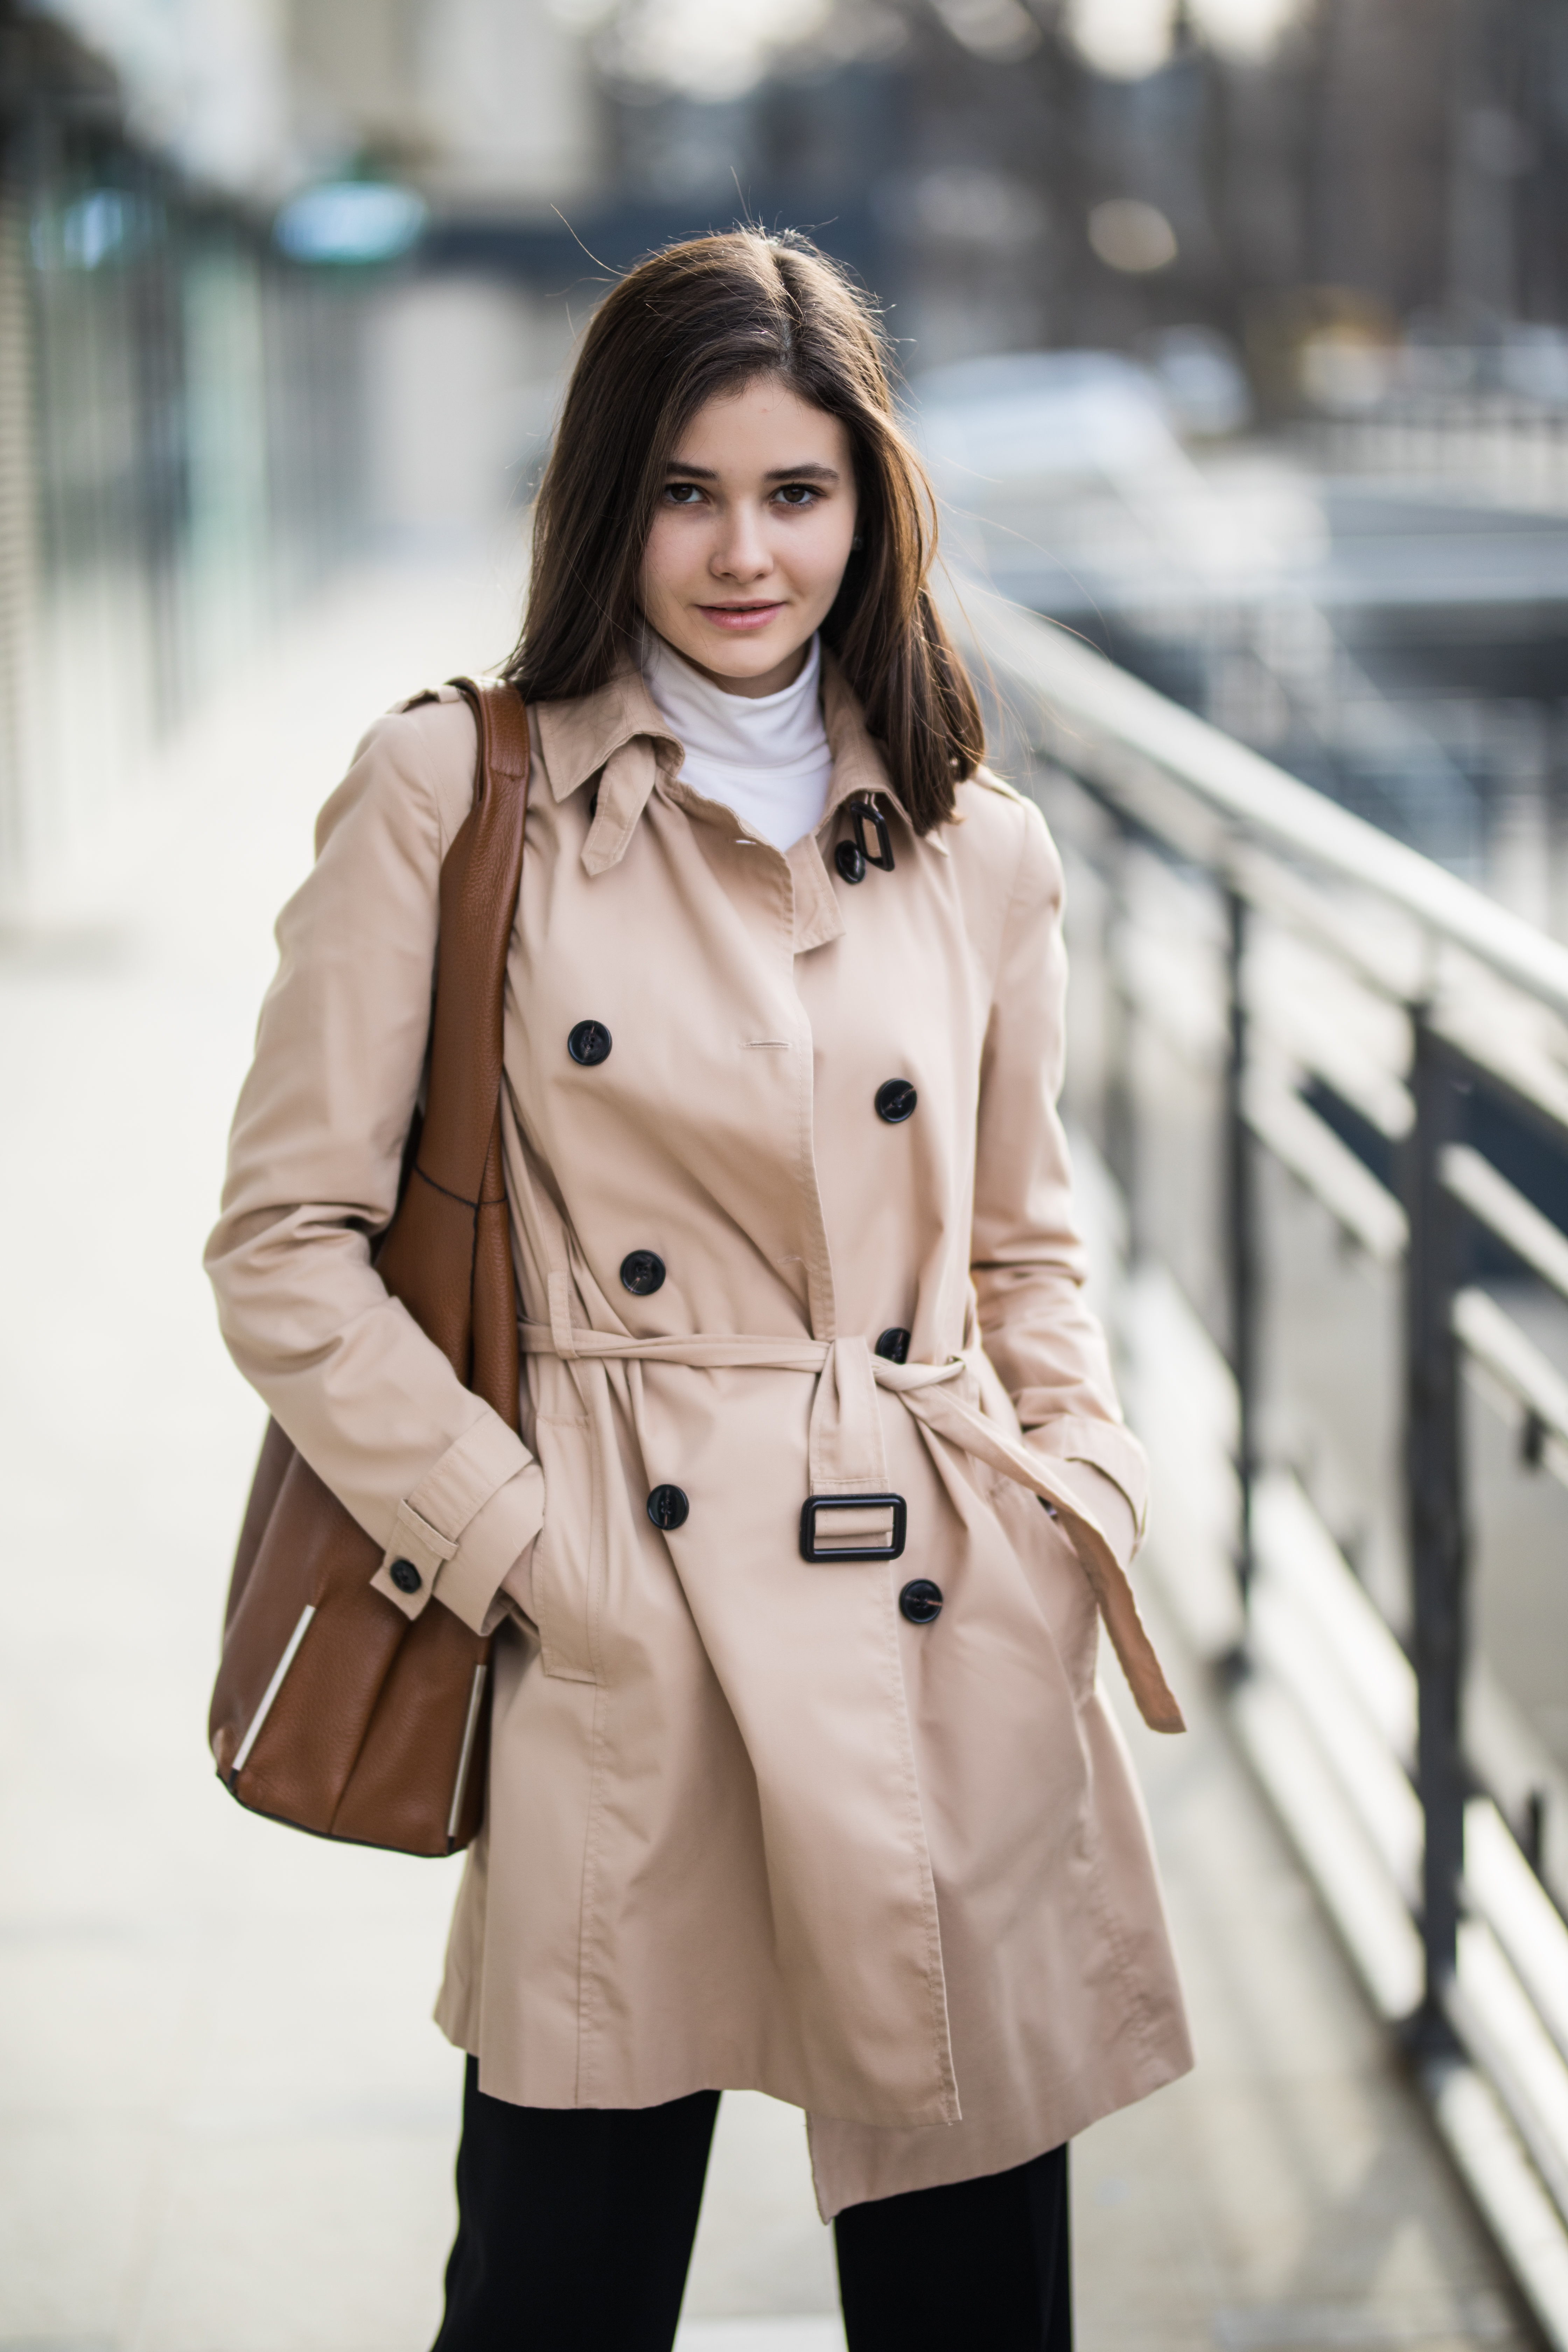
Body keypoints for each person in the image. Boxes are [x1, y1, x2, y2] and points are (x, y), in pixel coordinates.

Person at [206, 228, 1192, 2352]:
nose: (746, 552)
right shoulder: (456, 792)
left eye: (797, 493)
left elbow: (1025, 1240)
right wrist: (530, 1551)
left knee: (972, 2304)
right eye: (687, 490)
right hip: (618, 1632)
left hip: (940, 1617)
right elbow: (284, 1251)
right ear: (604, 497)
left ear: (870, 505)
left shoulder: (975, 841)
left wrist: (1077, 1487)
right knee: (558, 2291)